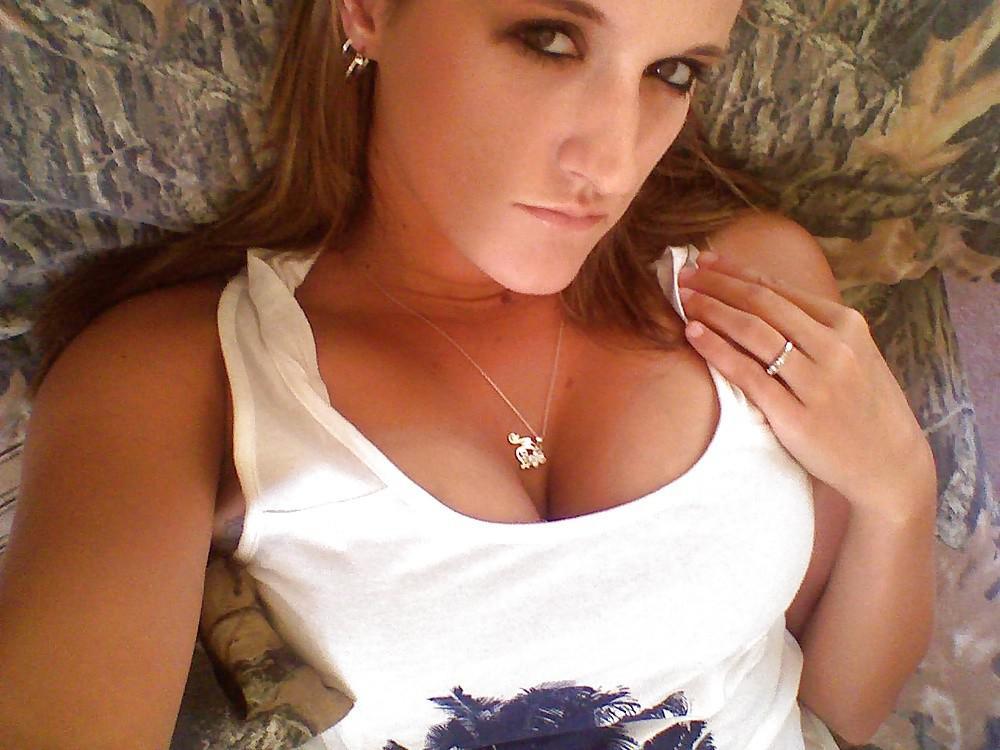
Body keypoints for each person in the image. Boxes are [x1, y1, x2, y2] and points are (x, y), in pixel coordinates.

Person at [0, 1, 937, 748]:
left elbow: (835, 712)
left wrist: (900, 490)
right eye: (549, 40)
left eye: (671, 72)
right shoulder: (183, 374)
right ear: (368, 11)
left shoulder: (755, 292)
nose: (611, 162)